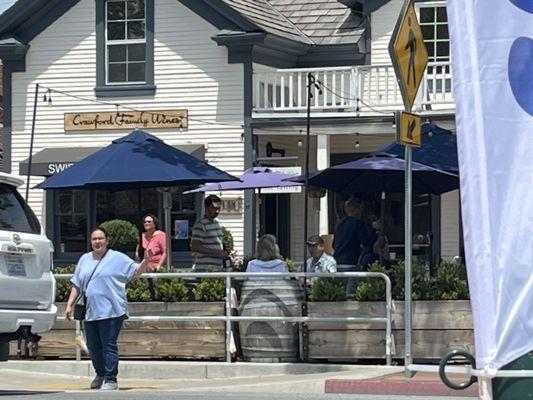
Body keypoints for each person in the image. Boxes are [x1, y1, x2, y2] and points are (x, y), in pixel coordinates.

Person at [65, 227, 152, 391]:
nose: (97, 242)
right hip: (91, 311)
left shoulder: (117, 258)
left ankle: (111, 378)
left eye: (100, 238)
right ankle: (101, 374)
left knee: (108, 345)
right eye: (94, 239)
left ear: (107, 240)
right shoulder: (84, 259)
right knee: (93, 346)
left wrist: (146, 261)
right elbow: (77, 284)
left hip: (113, 310)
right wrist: (69, 304)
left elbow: (136, 271)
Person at [333, 197, 368, 297]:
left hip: (338, 262)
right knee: (350, 294)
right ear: (356, 209)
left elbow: (333, 244)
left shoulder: (338, 224)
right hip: (352, 263)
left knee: (339, 293)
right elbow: (365, 243)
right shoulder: (358, 223)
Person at [191, 194, 229, 271]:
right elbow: (195, 246)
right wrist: (217, 252)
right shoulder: (200, 224)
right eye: (214, 208)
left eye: (218, 208)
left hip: (217, 268)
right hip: (205, 268)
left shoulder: (217, 223)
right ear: (206, 207)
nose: (217, 211)